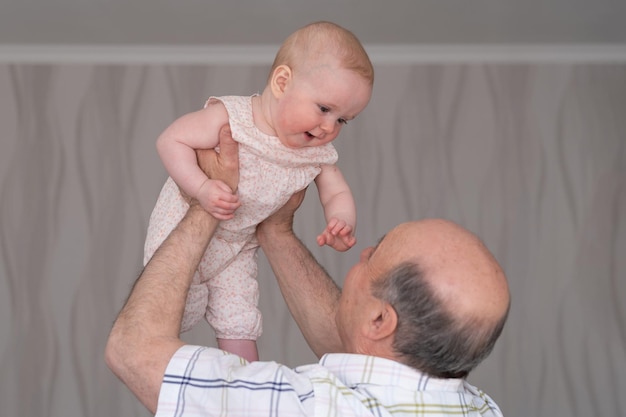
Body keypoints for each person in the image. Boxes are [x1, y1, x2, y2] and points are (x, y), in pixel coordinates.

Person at [106, 125, 512, 416]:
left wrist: (206, 201)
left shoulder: (303, 407)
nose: (365, 250)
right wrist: (276, 229)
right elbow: (360, 349)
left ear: (379, 319)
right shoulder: (479, 408)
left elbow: (133, 351)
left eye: (376, 253)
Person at [143, 21, 373, 362]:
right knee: (172, 309)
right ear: (282, 82)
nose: (329, 127)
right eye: (324, 109)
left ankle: (246, 380)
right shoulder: (232, 118)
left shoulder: (316, 154)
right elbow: (170, 141)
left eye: (343, 120)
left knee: (241, 320)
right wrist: (202, 188)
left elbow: (336, 192)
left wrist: (341, 221)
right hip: (183, 226)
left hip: (236, 247)